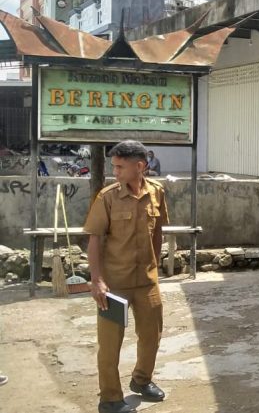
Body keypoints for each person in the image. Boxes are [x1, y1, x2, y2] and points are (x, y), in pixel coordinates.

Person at [84, 140, 170, 413]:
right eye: (114, 166)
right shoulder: (107, 197)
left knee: (151, 336)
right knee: (110, 345)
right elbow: (94, 239)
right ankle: (110, 399)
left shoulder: (157, 192)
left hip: (146, 281)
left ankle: (141, 381)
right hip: (114, 285)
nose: (116, 172)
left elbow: (157, 232)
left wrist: (154, 268)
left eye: (120, 167)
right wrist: (97, 280)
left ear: (140, 166)